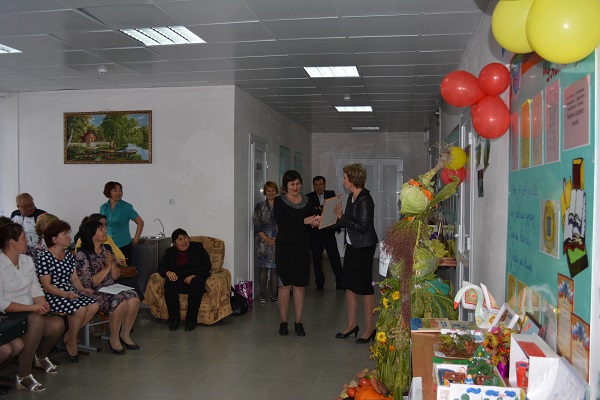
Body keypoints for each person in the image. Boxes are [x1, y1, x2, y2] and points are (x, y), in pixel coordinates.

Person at [0, 223, 64, 392]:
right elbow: (2, 303)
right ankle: (24, 375)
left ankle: (39, 357)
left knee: (57, 324)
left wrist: (41, 303)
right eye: (23, 238)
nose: (27, 241)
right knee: (35, 320)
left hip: (29, 309)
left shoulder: (26, 260)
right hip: (8, 314)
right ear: (12, 242)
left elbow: (35, 287)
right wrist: (33, 308)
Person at [36, 220, 99, 362]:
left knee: (94, 305)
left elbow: (74, 278)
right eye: (64, 234)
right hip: (52, 295)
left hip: (69, 292)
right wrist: (65, 294)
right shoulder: (44, 257)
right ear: (54, 239)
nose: (69, 237)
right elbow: (46, 285)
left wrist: (82, 289)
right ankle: (72, 342)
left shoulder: (68, 255)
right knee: (81, 309)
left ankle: (69, 336)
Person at [75, 220, 140, 355]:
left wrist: (112, 263)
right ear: (92, 235)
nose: (105, 231)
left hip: (110, 287)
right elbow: (88, 283)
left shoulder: (106, 249)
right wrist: (107, 267)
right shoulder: (82, 255)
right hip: (93, 291)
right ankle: (114, 338)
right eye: (101, 229)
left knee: (134, 297)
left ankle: (125, 334)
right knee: (120, 301)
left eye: (104, 228)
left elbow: (116, 276)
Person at [333, 163, 379, 344]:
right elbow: (348, 221)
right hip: (353, 246)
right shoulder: (351, 197)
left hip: (364, 247)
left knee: (365, 288)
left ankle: (370, 329)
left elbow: (363, 226)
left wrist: (342, 217)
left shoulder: (365, 199)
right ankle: (352, 324)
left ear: (353, 179)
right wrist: (327, 219)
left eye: (345, 177)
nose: (343, 180)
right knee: (349, 286)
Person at [273, 170, 320, 337]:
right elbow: (282, 224)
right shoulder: (279, 201)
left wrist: (314, 221)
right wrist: (304, 221)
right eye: (292, 184)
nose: (295, 187)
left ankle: (298, 322)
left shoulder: (307, 201)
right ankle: (283, 322)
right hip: (284, 247)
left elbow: (310, 222)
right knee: (284, 285)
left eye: (298, 183)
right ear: (286, 186)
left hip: (302, 247)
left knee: (299, 285)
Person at [158, 229, 212, 332]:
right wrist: (168, 272)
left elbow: (207, 266)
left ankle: (191, 321)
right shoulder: (170, 252)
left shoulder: (198, 248)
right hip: (179, 280)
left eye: (185, 237)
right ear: (174, 243)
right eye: (180, 239)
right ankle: (174, 320)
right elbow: (161, 267)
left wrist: (194, 275)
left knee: (196, 282)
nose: (184, 241)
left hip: (195, 278)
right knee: (170, 283)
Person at [306, 176, 343, 291]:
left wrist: (319, 210)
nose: (318, 187)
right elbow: (310, 213)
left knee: (334, 257)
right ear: (313, 186)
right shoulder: (308, 197)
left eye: (321, 184)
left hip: (328, 232)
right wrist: (321, 210)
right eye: (316, 185)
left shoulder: (331, 194)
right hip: (315, 233)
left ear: (324, 185)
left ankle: (340, 282)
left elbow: (334, 210)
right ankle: (319, 282)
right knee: (316, 259)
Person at [99, 181, 144, 261]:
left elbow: (140, 222)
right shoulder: (103, 207)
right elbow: (100, 225)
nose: (118, 193)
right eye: (115, 191)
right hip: (107, 244)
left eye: (120, 190)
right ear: (108, 192)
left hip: (123, 244)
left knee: (124, 267)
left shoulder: (126, 207)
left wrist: (136, 238)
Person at [253, 181, 279, 304]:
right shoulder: (260, 206)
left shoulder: (281, 206)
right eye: (268, 190)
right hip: (263, 243)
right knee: (263, 269)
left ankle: (274, 294)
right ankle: (263, 294)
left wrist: (277, 238)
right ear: (265, 192)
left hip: (278, 241)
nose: (271, 193)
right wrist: (266, 239)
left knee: (275, 269)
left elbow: (284, 224)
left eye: (273, 190)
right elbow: (257, 226)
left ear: (276, 192)